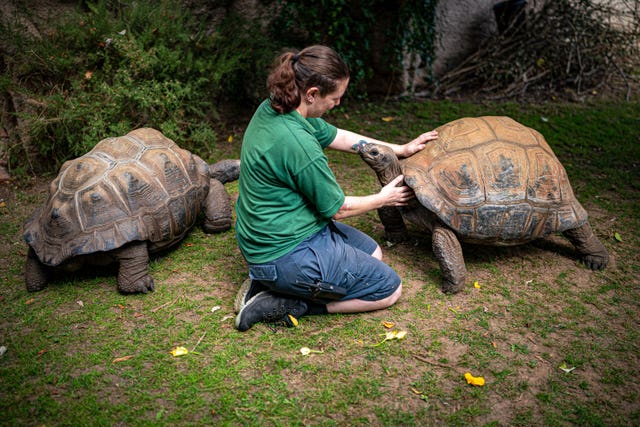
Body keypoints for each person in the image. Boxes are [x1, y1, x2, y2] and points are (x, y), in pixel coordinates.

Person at [234, 45, 438, 331]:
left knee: (373, 253)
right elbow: (338, 208)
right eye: (335, 97)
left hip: (279, 233)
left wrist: (400, 149)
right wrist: (384, 198)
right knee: (389, 289)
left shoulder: (278, 107)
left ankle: (276, 282)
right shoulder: (299, 144)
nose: (338, 104)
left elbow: (339, 137)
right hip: (281, 250)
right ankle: (293, 304)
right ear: (312, 94)